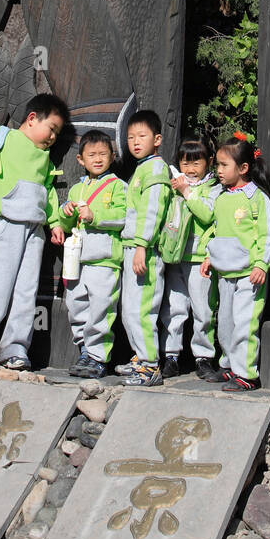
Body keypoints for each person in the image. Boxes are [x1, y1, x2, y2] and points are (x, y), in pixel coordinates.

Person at [0, 75, 68, 376]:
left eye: (58, 133)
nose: (53, 138)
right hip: (1, 225)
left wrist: (55, 222)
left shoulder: (44, 158)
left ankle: (14, 349)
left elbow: (48, 192)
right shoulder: (0, 138)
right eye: (52, 129)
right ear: (32, 119)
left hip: (34, 231)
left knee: (25, 292)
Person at [195, 136, 270, 392]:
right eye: (217, 165)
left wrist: (262, 264)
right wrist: (211, 256)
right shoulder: (221, 197)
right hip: (225, 273)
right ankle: (229, 366)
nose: (218, 170)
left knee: (244, 324)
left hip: (249, 275)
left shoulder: (257, 199)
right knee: (226, 325)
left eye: (223, 165)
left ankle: (246, 375)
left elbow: (267, 235)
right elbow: (218, 232)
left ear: (242, 168)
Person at [60, 130, 128, 380]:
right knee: (76, 306)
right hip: (77, 261)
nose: (97, 159)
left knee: (101, 308)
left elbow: (124, 217)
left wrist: (95, 217)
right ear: (81, 160)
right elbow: (67, 225)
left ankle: (98, 357)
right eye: (92, 155)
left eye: (103, 154)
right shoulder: (77, 188)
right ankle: (85, 350)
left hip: (104, 260)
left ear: (112, 156)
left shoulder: (119, 186)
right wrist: (65, 214)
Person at [116, 109, 174, 387]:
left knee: (141, 309)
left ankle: (150, 365)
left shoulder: (155, 168)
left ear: (157, 139)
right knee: (130, 308)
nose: (135, 142)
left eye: (142, 136)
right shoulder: (142, 168)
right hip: (134, 247)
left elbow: (153, 211)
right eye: (130, 137)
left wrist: (142, 246)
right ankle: (141, 356)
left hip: (146, 251)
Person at [159, 136, 222, 380]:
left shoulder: (214, 188)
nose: (191, 169)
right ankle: (171, 356)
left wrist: (187, 192)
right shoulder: (174, 184)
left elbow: (207, 215)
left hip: (199, 258)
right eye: (186, 163)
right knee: (174, 309)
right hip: (175, 257)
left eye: (197, 162)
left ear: (209, 162)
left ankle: (204, 357)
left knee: (203, 310)